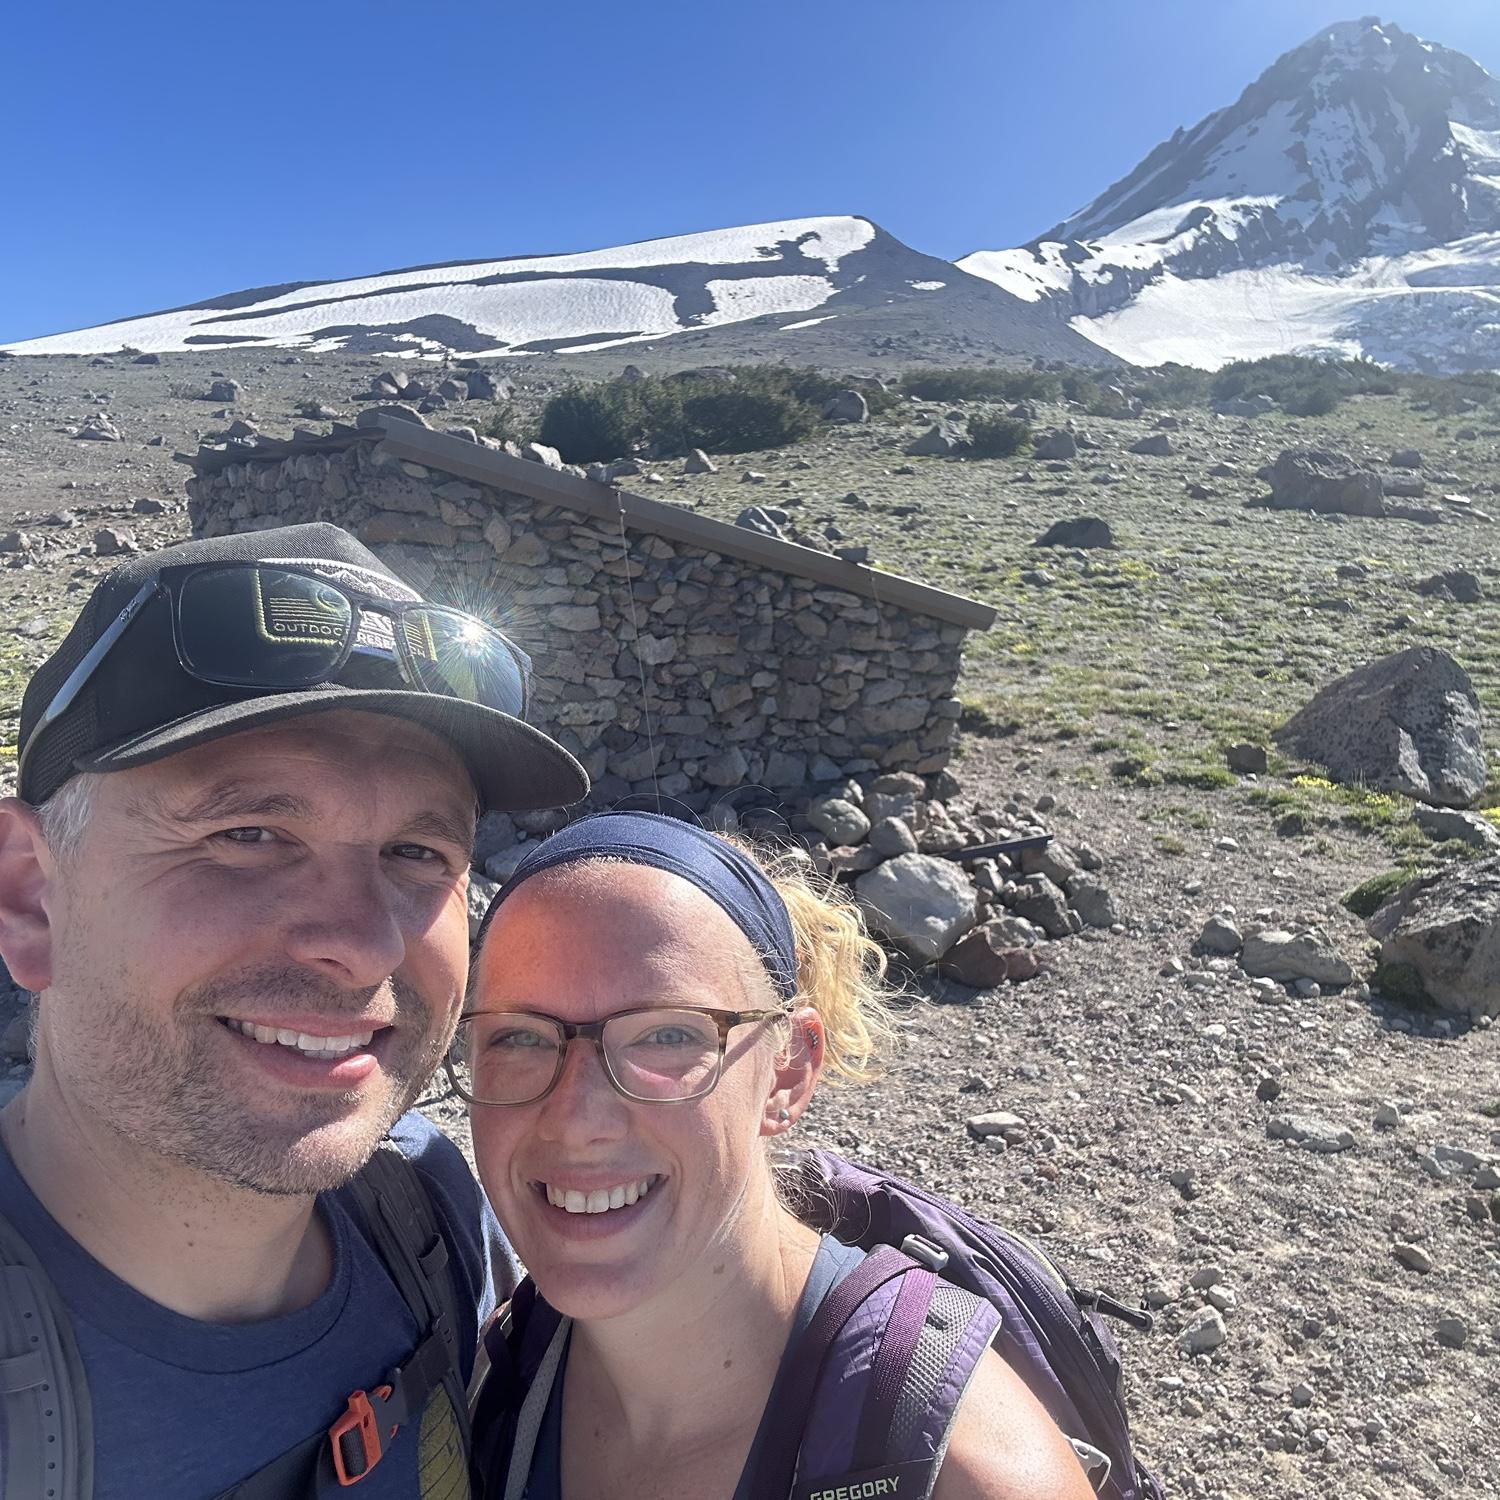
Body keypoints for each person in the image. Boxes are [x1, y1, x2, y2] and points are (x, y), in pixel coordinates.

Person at [0, 522, 587, 1498]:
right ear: (29, 896)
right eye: (250, 833)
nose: (365, 944)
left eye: (417, 854)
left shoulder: (431, 1204)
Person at [459, 811, 1096, 1500]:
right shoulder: (500, 1374)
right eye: (519, 1038)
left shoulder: (968, 1473)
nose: (577, 1121)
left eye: (667, 1036)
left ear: (787, 1072)